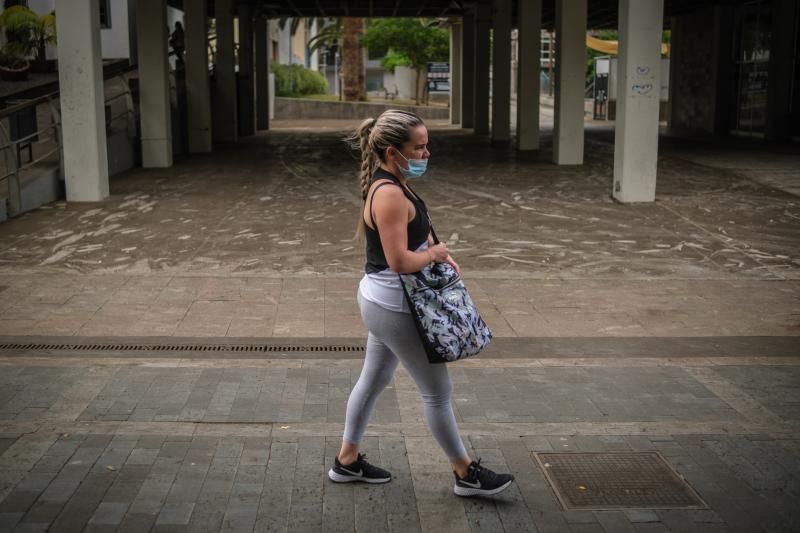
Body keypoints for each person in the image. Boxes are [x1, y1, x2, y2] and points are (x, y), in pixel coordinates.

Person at [328, 109, 515, 497]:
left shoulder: (395, 183)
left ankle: (346, 461)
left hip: (383, 300)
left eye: (427, 145)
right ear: (394, 152)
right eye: (420, 147)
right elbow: (400, 260)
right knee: (437, 394)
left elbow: (419, 233)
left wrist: (436, 250)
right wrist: (433, 255)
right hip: (396, 306)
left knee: (375, 379)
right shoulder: (390, 194)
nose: (427, 154)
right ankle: (466, 474)